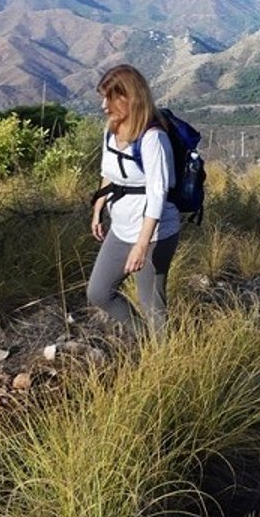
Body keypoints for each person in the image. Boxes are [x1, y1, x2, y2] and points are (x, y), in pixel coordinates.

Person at [86, 64, 181, 336]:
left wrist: (141, 246)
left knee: (153, 306)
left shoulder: (153, 139)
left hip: (154, 235)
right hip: (121, 228)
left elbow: (157, 196)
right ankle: (144, 339)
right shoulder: (111, 130)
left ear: (130, 97)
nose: (104, 106)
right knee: (99, 292)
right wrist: (98, 208)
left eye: (110, 98)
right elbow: (108, 172)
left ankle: (165, 354)